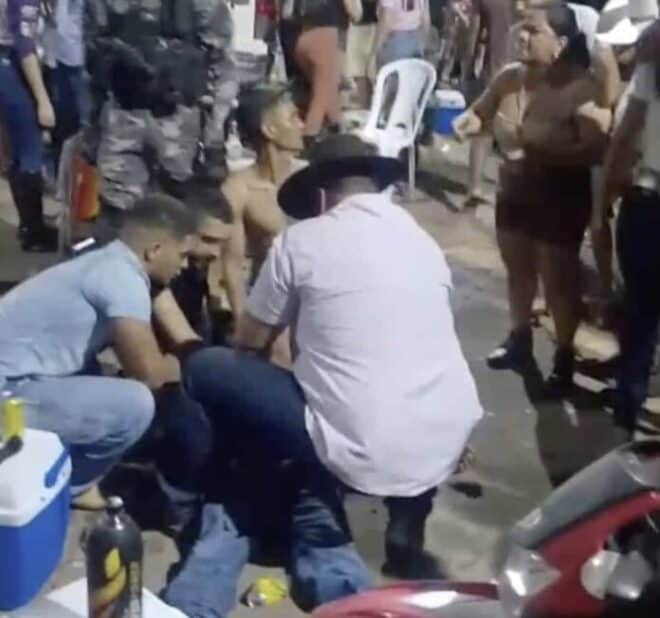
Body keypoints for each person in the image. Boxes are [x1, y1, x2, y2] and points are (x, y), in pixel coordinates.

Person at [182, 134, 483, 583]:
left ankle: (217, 490)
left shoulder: (302, 241)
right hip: (447, 427)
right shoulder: (421, 239)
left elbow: (250, 340)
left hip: (364, 438)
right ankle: (408, 516)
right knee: (387, 389)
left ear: (321, 196)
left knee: (209, 368)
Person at [454, 2, 610, 393]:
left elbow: (597, 148)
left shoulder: (581, 88)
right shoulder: (509, 78)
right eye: (521, 29)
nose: (522, 37)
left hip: (559, 193)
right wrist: (469, 121)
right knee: (518, 270)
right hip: (514, 190)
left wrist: (542, 152)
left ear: (560, 43)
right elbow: (481, 111)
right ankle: (519, 338)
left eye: (534, 31)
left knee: (558, 280)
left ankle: (564, 357)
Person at [0, 194, 194, 506]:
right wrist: (190, 363)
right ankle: (71, 487)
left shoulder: (104, 261)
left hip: (17, 377)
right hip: (7, 391)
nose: (184, 266)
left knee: (99, 375)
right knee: (135, 404)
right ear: (155, 250)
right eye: (182, 255)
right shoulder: (122, 279)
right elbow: (149, 375)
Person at [601, 17, 660, 436]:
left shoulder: (652, 66)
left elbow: (625, 136)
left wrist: (604, 192)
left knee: (640, 313)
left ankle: (628, 407)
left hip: (649, 202)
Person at [220, 85, 304, 320]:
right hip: (271, 308)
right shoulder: (239, 190)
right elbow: (232, 267)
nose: (302, 125)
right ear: (269, 130)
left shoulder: (312, 179)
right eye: (293, 118)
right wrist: (242, 324)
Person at [0, 0, 58, 251]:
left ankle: (30, 225)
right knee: (29, 149)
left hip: (12, 63)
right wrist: (42, 99)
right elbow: (24, 46)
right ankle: (34, 233)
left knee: (20, 148)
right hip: (10, 64)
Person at [289, 0, 362, 146]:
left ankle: (338, 126)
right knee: (321, 97)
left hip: (302, 37)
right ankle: (308, 138)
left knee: (328, 91)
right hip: (327, 37)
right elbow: (355, 13)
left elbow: (289, 13)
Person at [464, 0, 514, 209]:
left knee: (483, 130)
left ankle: (475, 187)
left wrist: (467, 66)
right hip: (525, 71)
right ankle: (514, 188)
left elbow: (474, 32)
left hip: (494, 70)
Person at [43, 0, 88, 169]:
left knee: (71, 122)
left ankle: (65, 169)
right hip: (62, 56)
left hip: (69, 57)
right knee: (66, 121)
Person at [371, 0, 430, 72]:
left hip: (394, 43)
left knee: (388, 76)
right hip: (416, 40)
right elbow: (426, 19)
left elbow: (386, 21)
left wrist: (373, 54)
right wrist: (422, 45)